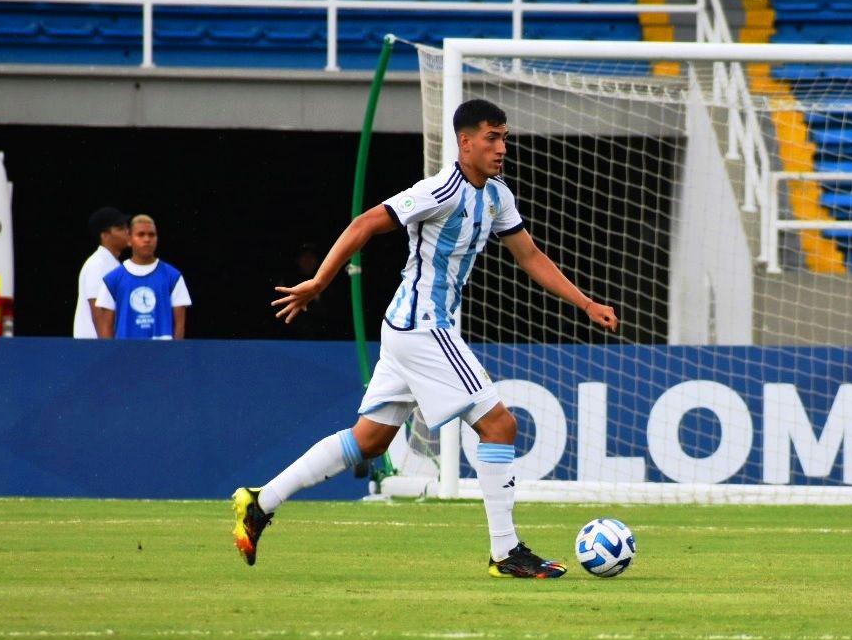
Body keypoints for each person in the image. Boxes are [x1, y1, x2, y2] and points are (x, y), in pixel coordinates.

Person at [231, 98, 619, 578]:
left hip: (411, 328)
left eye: (505, 138)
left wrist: (585, 303)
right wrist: (320, 282)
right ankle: (506, 552)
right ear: (465, 141)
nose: (501, 148)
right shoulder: (440, 190)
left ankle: (259, 501)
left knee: (369, 441)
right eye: (492, 138)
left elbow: (530, 256)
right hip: (423, 326)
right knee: (500, 427)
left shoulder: (497, 196)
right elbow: (366, 223)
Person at [93, 213, 192, 340]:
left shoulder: (173, 277)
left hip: (163, 355)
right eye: (141, 234)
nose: (147, 239)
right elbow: (106, 328)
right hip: (126, 354)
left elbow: (179, 326)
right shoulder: (112, 280)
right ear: (129, 239)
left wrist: (173, 356)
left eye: (151, 235)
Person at [73, 206, 128, 338]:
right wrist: (109, 351)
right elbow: (99, 312)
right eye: (120, 229)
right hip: (94, 348)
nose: (127, 232)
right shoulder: (98, 264)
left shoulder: (113, 264)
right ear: (104, 235)